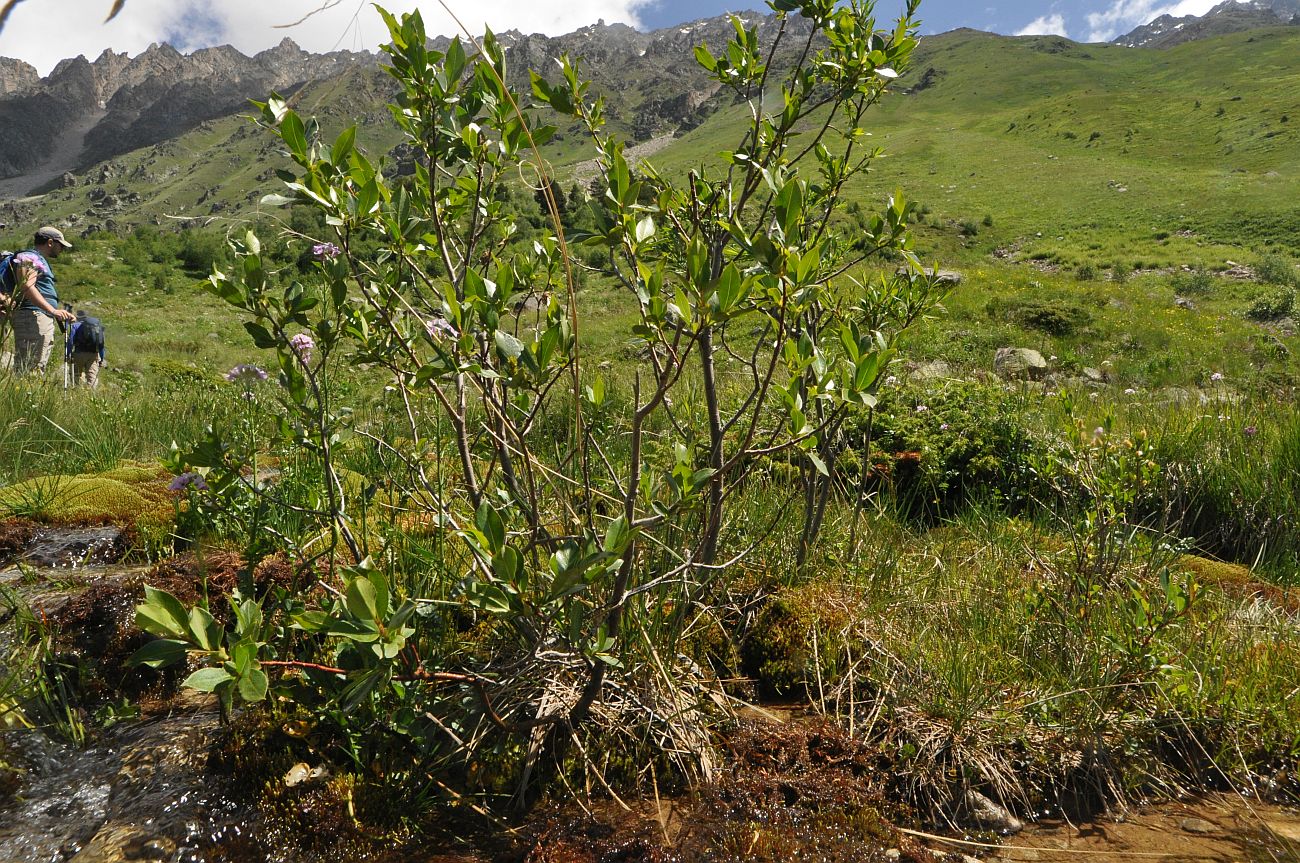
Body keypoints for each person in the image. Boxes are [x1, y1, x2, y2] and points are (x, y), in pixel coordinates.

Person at [11, 226, 76, 375]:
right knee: (30, 365)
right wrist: (52, 310)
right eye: (61, 245)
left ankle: (27, 393)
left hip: (38, 316)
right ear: (50, 242)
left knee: (36, 363)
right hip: (32, 316)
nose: (62, 250)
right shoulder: (28, 257)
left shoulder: (38, 259)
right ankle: (23, 396)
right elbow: (27, 285)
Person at [67, 309, 106, 389]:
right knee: (92, 376)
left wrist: (68, 354)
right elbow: (101, 344)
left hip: (79, 354)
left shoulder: (75, 326)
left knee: (75, 374)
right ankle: (90, 395)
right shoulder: (97, 327)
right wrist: (102, 358)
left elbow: (71, 342)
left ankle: (76, 391)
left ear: (78, 318)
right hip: (93, 355)